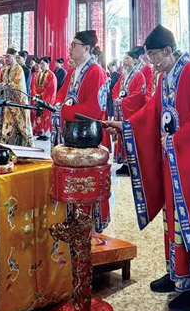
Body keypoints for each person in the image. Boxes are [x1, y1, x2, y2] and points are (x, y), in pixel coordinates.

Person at [102, 25, 190, 311]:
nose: (151, 61)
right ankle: (179, 274)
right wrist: (125, 127)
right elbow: (152, 113)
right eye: (148, 56)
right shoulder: (164, 77)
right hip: (174, 161)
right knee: (174, 219)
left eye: (154, 55)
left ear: (168, 50)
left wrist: (175, 141)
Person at [53, 30, 109, 230]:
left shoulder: (96, 72)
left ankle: (88, 221)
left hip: (88, 136)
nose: (70, 48)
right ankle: (71, 216)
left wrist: (65, 110)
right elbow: (61, 94)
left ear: (86, 48)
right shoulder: (73, 71)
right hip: (71, 133)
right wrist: (59, 105)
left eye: (74, 44)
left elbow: (95, 108)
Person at [111, 47, 149, 169]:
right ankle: (124, 162)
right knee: (121, 134)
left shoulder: (139, 76)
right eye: (124, 58)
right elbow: (115, 90)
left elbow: (138, 95)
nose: (125, 61)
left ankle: (132, 163)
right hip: (122, 110)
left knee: (132, 136)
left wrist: (122, 102)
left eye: (128, 58)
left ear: (135, 61)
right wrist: (117, 100)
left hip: (132, 113)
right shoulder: (122, 76)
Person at [0, 48, 32, 147]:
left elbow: (18, 86)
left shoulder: (18, 69)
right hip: (5, 103)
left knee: (19, 127)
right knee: (5, 127)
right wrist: (3, 85)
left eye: (8, 56)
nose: (6, 59)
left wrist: (3, 85)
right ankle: (4, 147)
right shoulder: (3, 69)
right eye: (5, 56)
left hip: (17, 104)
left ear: (14, 57)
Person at [30, 56, 56, 140]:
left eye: (43, 63)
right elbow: (35, 86)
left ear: (48, 64)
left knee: (46, 115)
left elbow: (51, 88)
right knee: (39, 116)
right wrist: (36, 94)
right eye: (40, 63)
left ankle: (47, 134)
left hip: (45, 98)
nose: (41, 65)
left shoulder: (51, 75)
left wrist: (42, 95)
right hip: (39, 97)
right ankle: (41, 133)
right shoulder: (39, 74)